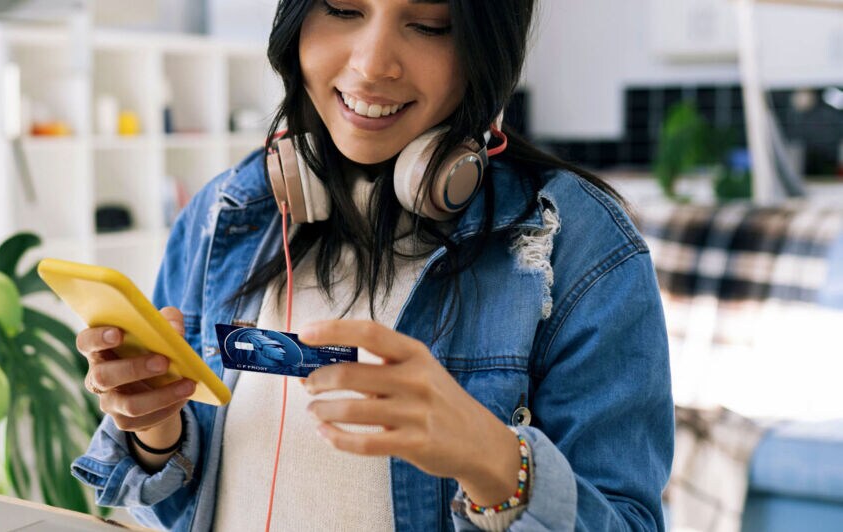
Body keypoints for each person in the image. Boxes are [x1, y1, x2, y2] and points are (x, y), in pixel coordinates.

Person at [71, 1, 674, 530]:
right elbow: (182, 510)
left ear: (487, 47)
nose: (372, 63)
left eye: (429, 23)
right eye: (340, 8)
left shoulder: (577, 247)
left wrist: (492, 460)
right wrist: (155, 433)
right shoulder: (226, 213)